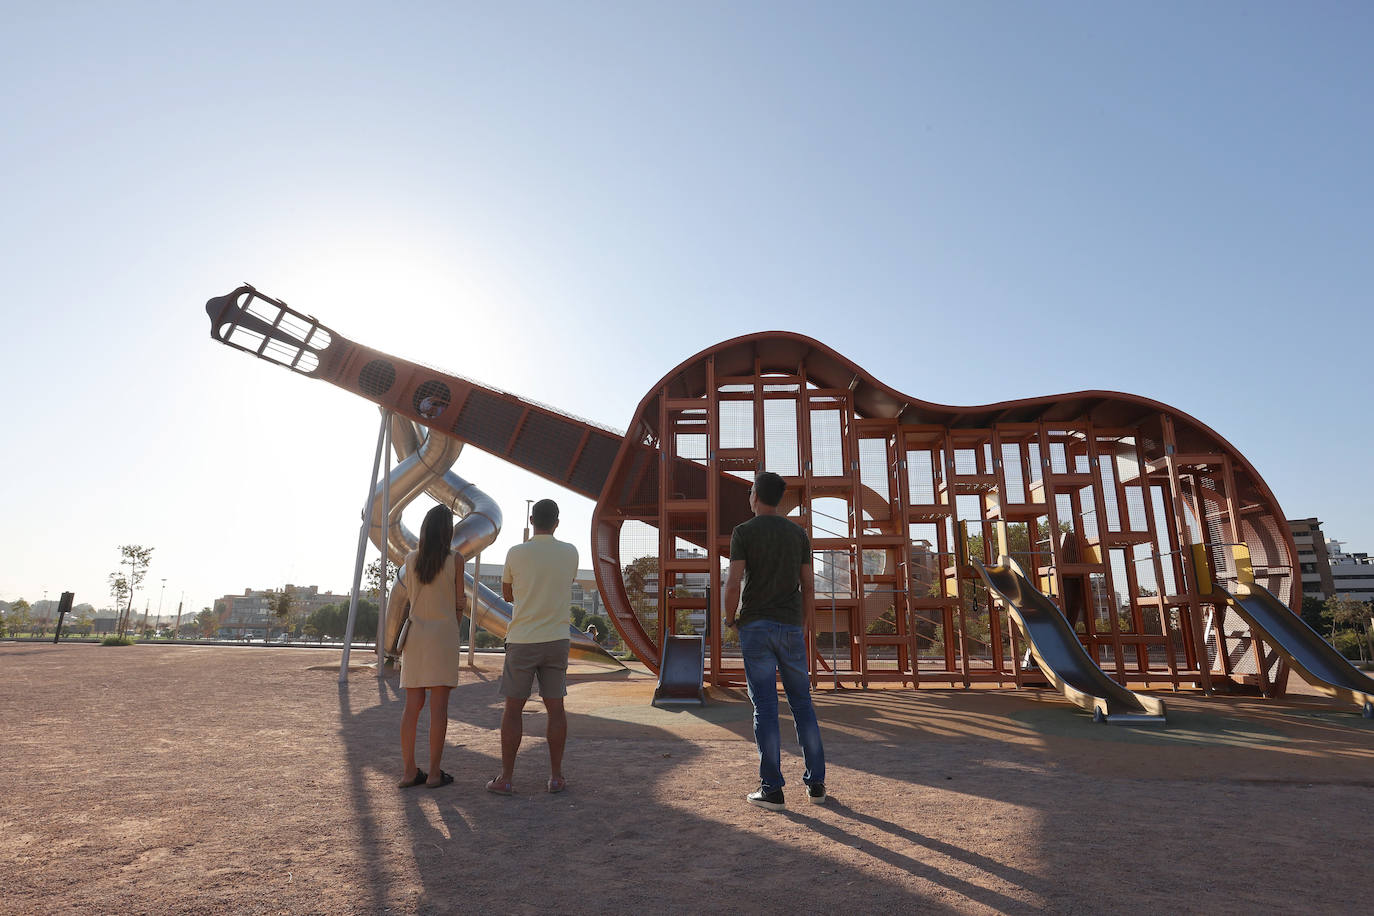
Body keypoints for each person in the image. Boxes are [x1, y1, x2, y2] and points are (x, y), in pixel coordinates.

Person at [722, 470, 827, 810]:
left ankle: (772, 789)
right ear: (779, 499)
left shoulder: (744, 532)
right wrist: (806, 624)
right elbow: (809, 586)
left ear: (755, 496)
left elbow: (733, 583)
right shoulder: (798, 534)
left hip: (755, 626)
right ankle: (816, 785)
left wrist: (730, 619)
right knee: (802, 704)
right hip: (791, 626)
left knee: (765, 707)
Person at [487, 498, 579, 795]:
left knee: (513, 709)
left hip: (523, 638)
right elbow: (565, 582)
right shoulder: (570, 552)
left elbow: (508, 594)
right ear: (557, 522)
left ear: (531, 520)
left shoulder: (515, 552)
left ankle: (506, 778)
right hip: (557, 638)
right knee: (556, 708)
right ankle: (556, 777)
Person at [389, 504, 465, 789]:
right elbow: (459, 603)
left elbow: (411, 597)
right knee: (439, 708)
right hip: (443, 635)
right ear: (448, 531)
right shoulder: (456, 559)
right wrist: (453, 625)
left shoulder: (410, 559)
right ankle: (434, 773)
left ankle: (409, 771)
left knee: (412, 707)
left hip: (416, 636)